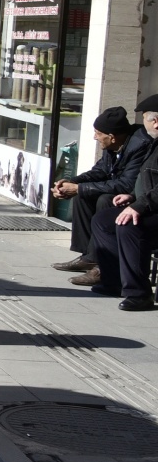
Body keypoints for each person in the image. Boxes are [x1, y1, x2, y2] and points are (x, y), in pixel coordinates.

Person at [50, 106, 149, 286]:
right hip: (121, 190)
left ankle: (104, 264)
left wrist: (80, 188)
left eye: (98, 133)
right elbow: (101, 170)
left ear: (112, 136)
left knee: (104, 199)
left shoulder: (139, 145)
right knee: (82, 195)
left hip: (135, 197)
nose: (95, 137)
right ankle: (90, 256)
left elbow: (127, 184)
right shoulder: (114, 144)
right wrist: (72, 182)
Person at [89, 96, 158, 311]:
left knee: (129, 225)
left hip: (153, 208)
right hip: (150, 204)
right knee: (104, 220)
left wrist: (138, 206)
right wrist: (132, 196)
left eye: (146, 120)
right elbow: (147, 180)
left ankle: (138, 294)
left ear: (156, 121)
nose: (144, 126)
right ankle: (114, 281)